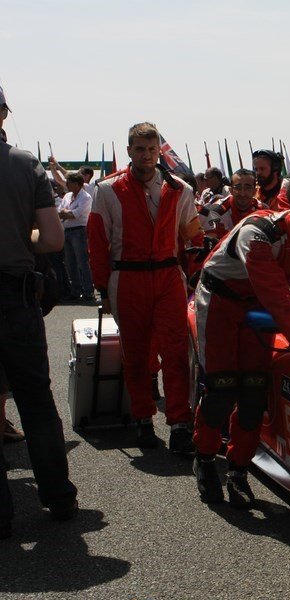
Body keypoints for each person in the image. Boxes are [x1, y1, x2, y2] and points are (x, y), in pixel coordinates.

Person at [192, 169, 290, 508]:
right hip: (220, 302)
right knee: (222, 389)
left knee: (254, 392)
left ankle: (238, 470)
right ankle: (204, 458)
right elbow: (274, 292)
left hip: (260, 308)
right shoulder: (258, 232)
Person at [87, 122, 200, 454]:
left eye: (152, 149)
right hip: (127, 278)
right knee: (136, 355)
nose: (147, 155)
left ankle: (179, 424)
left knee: (176, 353)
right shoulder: (107, 190)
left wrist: (194, 278)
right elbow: (97, 242)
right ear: (129, 151)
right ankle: (142, 420)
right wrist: (102, 289)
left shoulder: (180, 189)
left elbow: (193, 237)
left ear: (158, 151)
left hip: (168, 277)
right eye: (140, 149)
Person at [0, 94, 79, 538]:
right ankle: (59, 496)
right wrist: (19, 235)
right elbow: (51, 240)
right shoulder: (25, 163)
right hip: (15, 296)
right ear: (4, 114)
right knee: (35, 400)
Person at [58, 170, 95, 301]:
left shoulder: (86, 197)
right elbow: (59, 211)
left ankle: (88, 291)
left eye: (69, 182)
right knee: (70, 263)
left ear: (77, 184)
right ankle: (75, 291)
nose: (66, 184)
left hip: (79, 231)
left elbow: (75, 214)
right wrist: (67, 212)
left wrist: (66, 212)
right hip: (67, 230)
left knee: (82, 262)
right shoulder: (67, 196)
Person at [200, 169, 267, 240]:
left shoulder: (263, 210)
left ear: (255, 191)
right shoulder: (216, 211)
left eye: (248, 188)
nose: (242, 193)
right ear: (231, 190)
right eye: (238, 188)